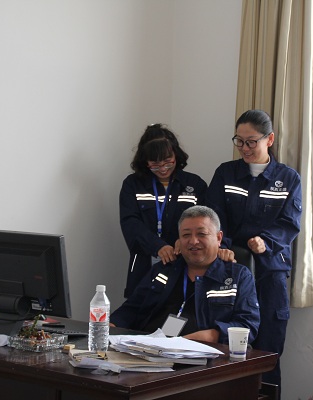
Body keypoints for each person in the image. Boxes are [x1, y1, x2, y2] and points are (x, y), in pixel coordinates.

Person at [205, 109, 302, 396]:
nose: (244, 148)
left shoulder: (288, 178)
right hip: (230, 269)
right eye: (239, 141)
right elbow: (213, 216)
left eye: (251, 142)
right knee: (227, 347)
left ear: (269, 140)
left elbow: (290, 223)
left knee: (268, 350)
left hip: (270, 272)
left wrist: (265, 242)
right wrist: (223, 246)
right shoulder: (226, 173)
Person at [110, 205, 260, 344]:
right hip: (150, 348)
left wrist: (210, 336)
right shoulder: (163, 270)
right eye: (186, 235)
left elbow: (247, 326)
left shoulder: (238, 276)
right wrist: (109, 326)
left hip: (205, 354)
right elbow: (131, 309)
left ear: (219, 238)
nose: (193, 241)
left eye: (201, 234)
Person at [119, 124, 207, 298]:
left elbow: (205, 222)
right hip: (145, 265)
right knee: (140, 310)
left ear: (176, 154)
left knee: (180, 309)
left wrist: (184, 240)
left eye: (168, 161)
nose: (162, 168)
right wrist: (157, 246)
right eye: (155, 164)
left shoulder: (194, 184)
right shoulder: (133, 184)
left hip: (184, 263)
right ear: (145, 161)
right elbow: (130, 223)